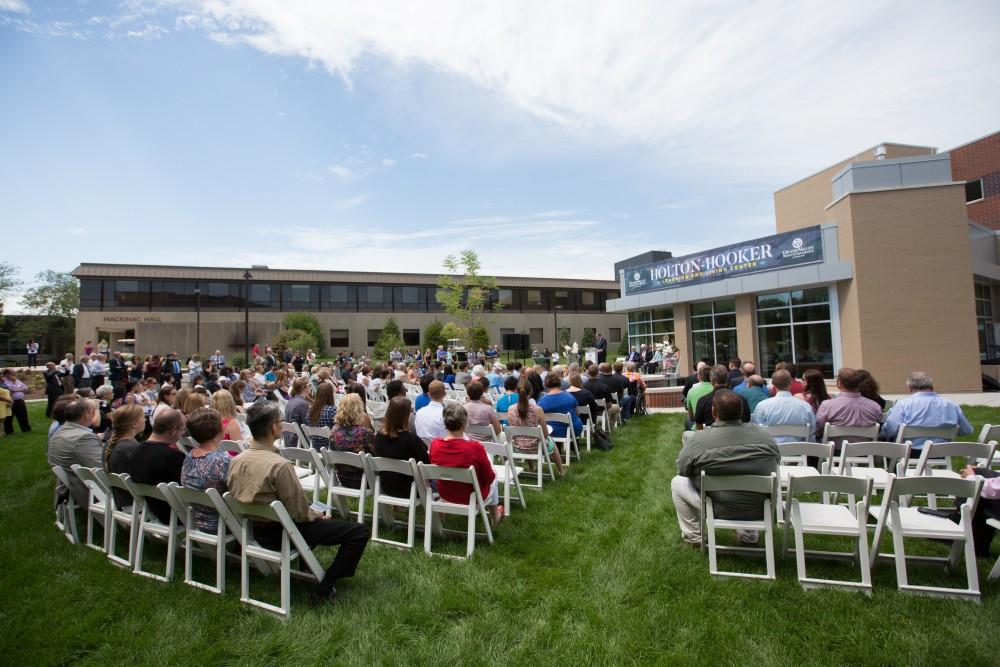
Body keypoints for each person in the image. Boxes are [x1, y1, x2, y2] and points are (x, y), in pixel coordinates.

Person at [227, 401, 370, 604]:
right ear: (273, 428)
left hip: (253, 530)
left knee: (313, 508)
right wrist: (316, 515)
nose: (283, 424)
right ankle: (325, 585)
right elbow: (299, 514)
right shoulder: (279, 465)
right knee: (359, 532)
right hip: (284, 532)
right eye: (281, 421)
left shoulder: (235, 460)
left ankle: (306, 566)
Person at [671, 390, 780, 546]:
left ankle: (694, 538)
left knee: (677, 482)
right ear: (742, 411)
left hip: (716, 507)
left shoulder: (698, 440)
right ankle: (748, 536)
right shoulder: (766, 437)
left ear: (714, 412)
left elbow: (682, 470)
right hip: (759, 507)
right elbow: (776, 463)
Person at [429, 403, 504, 526]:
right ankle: (495, 516)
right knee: (494, 475)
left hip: (446, 493)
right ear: (465, 423)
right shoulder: (475, 447)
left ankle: (441, 515)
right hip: (471, 497)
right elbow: (489, 478)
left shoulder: (435, 444)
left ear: (445, 423)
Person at [881, 371, 973, 449]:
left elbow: (890, 429)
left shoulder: (903, 405)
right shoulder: (951, 405)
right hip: (941, 451)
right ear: (931, 386)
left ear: (910, 388)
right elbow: (966, 430)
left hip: (909, 451)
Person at [128, 408, 187, 523]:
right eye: (182, 430)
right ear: (173, 430)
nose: (182, 434)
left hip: (152, 509)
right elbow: (186, 490)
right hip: (177, 513)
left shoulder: (135, 452)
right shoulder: (172, 456)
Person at [180, 408, 231, 533]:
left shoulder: (189, 456)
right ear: (219, 429)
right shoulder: (223, 460)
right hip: (223, 523)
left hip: (196, 520)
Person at [47, 398, 103, 508]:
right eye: (93, 411)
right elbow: (102, 468)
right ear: (86, 415)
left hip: (72, 483)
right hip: (91, 491)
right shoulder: (83, 438)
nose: (95, 414)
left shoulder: (60, 432)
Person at [372, 397, 429, 497]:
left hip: (387, 486)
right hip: (411, 488)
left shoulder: (378, 437)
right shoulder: (411, 440)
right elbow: (426, 464)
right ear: (406, 416)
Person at [506, 379, 565, 474]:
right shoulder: (538, 410)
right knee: (551, 440)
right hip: (535, 447)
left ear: (517, 391)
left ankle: (531, 467)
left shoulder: (510, 409)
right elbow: (545, 435)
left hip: (517, 447)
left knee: (526, 437)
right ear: (531, 391)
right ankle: (561, 470)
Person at [814, 368, 883, 443]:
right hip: (865, 452)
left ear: (839, 384)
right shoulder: (875, 406)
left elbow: (818, 429)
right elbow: (878, 425)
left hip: (834, 451)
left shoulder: (827, 405)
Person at [751, 369, 815, 442]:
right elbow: (811, 432)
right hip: (799, 451)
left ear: (773, 384)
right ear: (791, 383)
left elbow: (758, 431)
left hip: (772, 450)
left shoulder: (762, 406)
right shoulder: (805, 406)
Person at [104, 404, 145, 507]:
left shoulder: (109, 443)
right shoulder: (132, 448)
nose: (145, 420)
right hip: (135, 503)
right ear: (135, 423)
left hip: (120, 500)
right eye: (143, 417)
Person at [330, 393, 375, 488]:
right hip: (365, 480)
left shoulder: (334, 431)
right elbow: (376, 456)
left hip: (343, 478)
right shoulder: (364, 433)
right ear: (359, 410)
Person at [694, 365, 752, 430]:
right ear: (727, 378)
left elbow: (698, 427)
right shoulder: (741, 399)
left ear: (711, 379)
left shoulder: (703, 401)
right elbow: (747, 421)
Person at [537, 373, 583, 439]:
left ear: (546, 384)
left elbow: (539, 419)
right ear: (559, 383)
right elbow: (578, 413)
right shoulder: (569, 396)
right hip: (572, 429)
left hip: (551, 431)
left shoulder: (542, 401)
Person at [307, 382, 338, 450]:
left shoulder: (310, 411)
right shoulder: (332, 410)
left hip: (315, 447)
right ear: (330, 395)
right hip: (329, 447)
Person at [283, 377, 312, 446]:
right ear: (303, 387)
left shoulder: (291, 401)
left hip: (288, 440)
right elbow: (307, 424)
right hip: (298, 442)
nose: (311, 387)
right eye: (309, 385)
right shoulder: (303, 404)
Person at [1, 368, 30, 434]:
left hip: (20, 401)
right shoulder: (4, 382)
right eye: (12, 373)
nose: (14, 374)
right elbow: (11, 389)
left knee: (23, 416)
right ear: (6, 374)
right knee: (9, 418)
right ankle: (9, 432)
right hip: (10, 402)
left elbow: (26, 388)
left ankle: (26, 429)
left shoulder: (17, 380)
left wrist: (17, 389)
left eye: (14, 372)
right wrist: (19, 388)